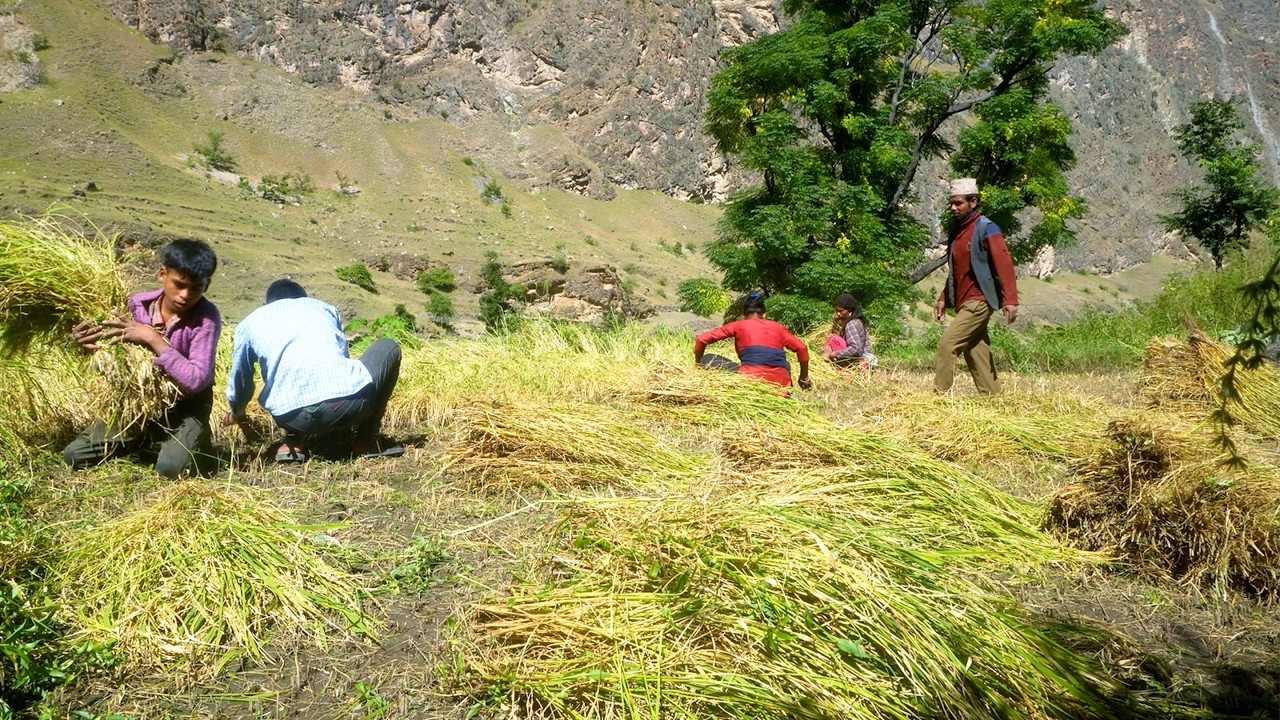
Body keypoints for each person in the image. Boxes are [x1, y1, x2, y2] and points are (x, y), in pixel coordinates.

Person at [63, 238, 221, 479]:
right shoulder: (135, 305)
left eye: (196, 288)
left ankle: (195, 438)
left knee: (169, 469)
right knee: (75, 455)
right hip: (141, 402)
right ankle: (145, 436)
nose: (185, 295)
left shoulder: (206, 319)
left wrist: (153, 339)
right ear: (162, 274)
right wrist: (84, 344)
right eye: (178, 284)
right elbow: (110, 350)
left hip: (187, 404)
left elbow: (197, 380)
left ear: (207, 286)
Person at [224, 279, 403, 462]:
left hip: (291, 417)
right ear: (303, 298)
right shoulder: (324, 308)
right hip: (347, 407)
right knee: (388, 346)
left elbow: (241, 378)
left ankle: (293, 441)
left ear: (268, 303)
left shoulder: (249, 323)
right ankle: (366, 439)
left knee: (282, 374)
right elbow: (343, 357)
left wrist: (237, 412)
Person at [933, 178, 1019, 395]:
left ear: (973, 202)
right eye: (951, 203)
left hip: (979, 301)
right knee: (976, 350)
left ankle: (937, 399)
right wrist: (944, 297)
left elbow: (1004, 264)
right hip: (963, 301)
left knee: (947, 346)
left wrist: (1010, 300)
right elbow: (957, 270)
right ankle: (993, 399)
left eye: (958, 203)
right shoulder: (958, 232)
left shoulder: (987, 228)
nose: (953, 208)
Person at [694, 292, 812, 390]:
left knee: (707, 358)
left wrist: (697, 365)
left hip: (749, 383)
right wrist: (804, 378)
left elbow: (701, 339)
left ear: (743, 315)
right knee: (785, 364)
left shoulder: (738, 325)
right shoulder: (778, 327)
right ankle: (785, 392)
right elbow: (801, 348)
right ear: (764, 314)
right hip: (780, 386)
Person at [823, 293, 878, 370]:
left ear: (849, 309)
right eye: (836, 311)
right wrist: (835, 322)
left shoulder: (851, 324)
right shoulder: (852, 320)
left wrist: (835, 354)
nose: (838, 313)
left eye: (840, 311)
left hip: (860, 360)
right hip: (861, 357)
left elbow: (855, 349)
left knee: (833, 339)